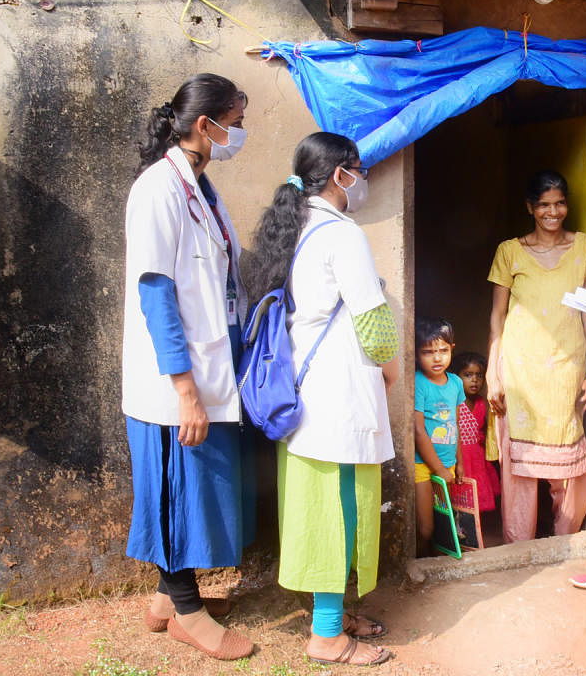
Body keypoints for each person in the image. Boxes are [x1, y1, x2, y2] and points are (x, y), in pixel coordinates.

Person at [247, 132, 399, 667]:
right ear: (340, 175)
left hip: (304, 398)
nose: (362, 181)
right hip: (339, 399)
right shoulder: (342, 234)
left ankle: (330, 615)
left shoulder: (295, 227)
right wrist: (392, 366)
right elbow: (375, 325)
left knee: (317, 514)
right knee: (340, 515)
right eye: (358, 171)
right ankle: (328, 635)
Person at [121, 74, 255, 660]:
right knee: (176, 491)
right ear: (207, 125)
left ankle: (165, 600)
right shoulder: (159, 190)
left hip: (208, 365)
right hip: (173, 381)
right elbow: (157, 293)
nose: (239, 134)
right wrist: (184, 390)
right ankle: (187, 612)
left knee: (193, 489)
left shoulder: (200, 185)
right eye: (236, 120)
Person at [486, 170, 586, 543]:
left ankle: (561, 542)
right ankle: (517, 550)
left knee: (570, 467)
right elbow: (497, 316)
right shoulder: (509, 252)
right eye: (544, 205)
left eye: (559, 204)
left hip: (567, 366)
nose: (553, 212)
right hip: (519, 367)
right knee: (518, 470)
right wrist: (493, 371)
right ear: (530, 208)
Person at [413, 317, 464, 556]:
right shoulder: (418, 382)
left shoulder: (455, 383)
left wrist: (459, 464)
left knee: (445, 526)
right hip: (423, 466)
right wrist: (439, 469)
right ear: (416, 353)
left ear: (452, 349)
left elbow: (455, 426)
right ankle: (418, 566)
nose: (436, 358)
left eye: (443, 351)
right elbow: (418, 430)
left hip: (449, 465)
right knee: (425, 528)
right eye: (428, 352)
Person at [452, 350, 501, 514]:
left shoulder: (481, 402)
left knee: (478, 493)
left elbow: (483, 427)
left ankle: (477, 529)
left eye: (479, 375)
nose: (474, 380)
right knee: (462, 495)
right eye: (468, 375)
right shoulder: (455, 403)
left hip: (478, 456)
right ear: (456, 377)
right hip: (462, 455)